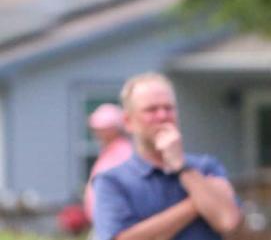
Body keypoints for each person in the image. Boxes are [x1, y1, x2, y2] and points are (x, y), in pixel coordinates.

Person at [92, 73, 242, 240]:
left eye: (168, 108)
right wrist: (196, 203)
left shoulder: (205, 167)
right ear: (128, 121)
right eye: (151, 110)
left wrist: (180, 166)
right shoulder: (112, 181)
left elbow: (228, 221)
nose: (163, 116)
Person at [84, 103, 134, 222]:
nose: (98, 133)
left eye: (104, 128)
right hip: (104, 221)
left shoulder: (124, 153)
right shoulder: (108, 152)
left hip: (118, 223)